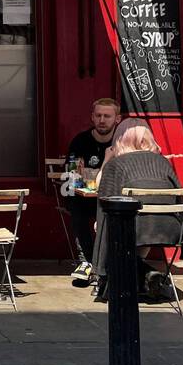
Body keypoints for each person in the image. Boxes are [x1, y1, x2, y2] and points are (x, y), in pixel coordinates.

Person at [91, 125, 182, 301]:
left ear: (120, 141)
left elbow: (104, 202)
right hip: (170, 228)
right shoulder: (163, 162)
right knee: (136, 228)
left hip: (132, 227)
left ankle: (139, 275)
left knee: (112, 227)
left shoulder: (117, 164)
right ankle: (146, 275)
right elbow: (180, 198)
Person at [63, 98, 121, 286]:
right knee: (74, 203)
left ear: (117, 119)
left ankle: (103, 262)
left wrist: (91, 174)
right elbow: (71, 172)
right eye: (98, 115)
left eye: (107, 116)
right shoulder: (81, 141)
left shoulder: (121, 142)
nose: (102, 120)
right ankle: (86, 260)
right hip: (84, 198)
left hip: (111, 197)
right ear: (92, 117)